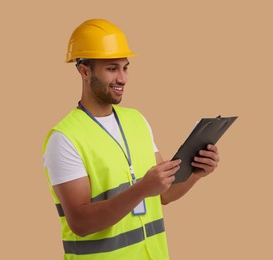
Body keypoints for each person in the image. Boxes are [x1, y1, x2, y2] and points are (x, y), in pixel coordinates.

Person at [42, 19, 220, 260]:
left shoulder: (136, 120)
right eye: (112, 68)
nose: (123, 79)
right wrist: (142, 189)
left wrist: (196, 173)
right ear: (84, 71)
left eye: (125, 68)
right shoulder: (64, 138)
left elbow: (164, 194)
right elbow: (81, 223)